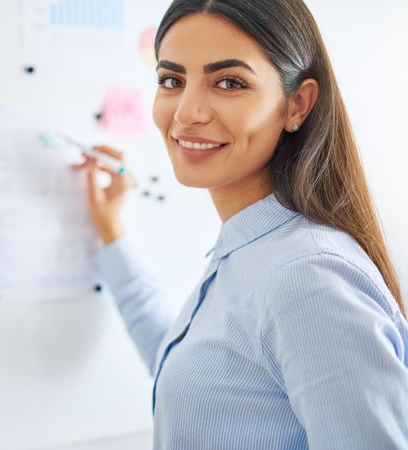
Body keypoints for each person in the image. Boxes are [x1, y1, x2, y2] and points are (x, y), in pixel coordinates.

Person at [72, 0, 408, 448]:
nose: (188, 111)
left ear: (298, 105)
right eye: (172, 80)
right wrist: (112, 232)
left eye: (229, 82)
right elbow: (193, 376)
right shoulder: (251, 248)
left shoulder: (306, 277)